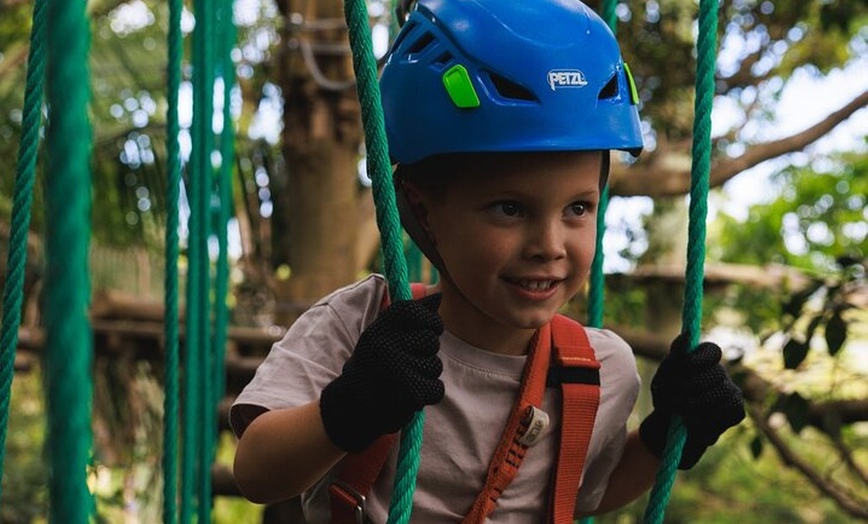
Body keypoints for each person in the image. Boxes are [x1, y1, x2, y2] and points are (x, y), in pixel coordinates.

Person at [230, 0, 745, 522]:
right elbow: (256, 471)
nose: (549, 244)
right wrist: (348, 409)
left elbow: (584, 493)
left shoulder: (598, 371)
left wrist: (663, 439)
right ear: (424, 212)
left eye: (578, 208)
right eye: (510, 208)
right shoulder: (361, 325)